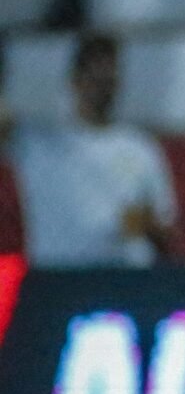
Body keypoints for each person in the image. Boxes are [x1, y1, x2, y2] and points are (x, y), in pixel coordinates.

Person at [9, 33, 174, 268]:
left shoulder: (139, 148)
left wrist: (147, 226)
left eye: (109, 80)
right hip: (57, 281)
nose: (102, 89)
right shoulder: (38, 144)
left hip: (122, 283)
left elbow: (167, 232)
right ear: (75, 80)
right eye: (94, 78)